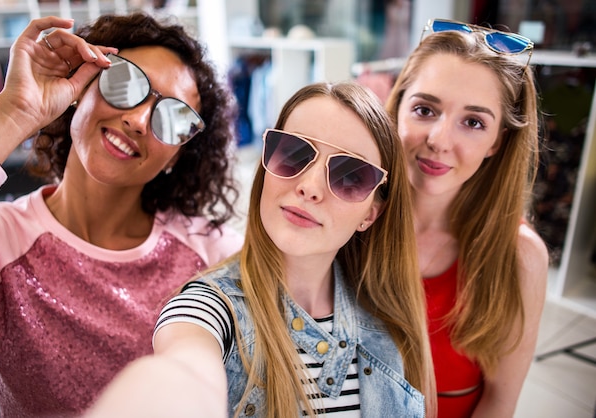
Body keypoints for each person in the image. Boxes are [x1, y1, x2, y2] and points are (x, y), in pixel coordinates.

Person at [85, 81, 437, 418]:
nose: (310, 187)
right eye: (293, 153)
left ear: (371, 214)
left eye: (350, 176)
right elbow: (183, 371)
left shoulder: (390, 315)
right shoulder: (209, 309)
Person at [0, 12, 243, 417]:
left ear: (179, 155)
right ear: (81, 85)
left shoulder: (213, 253)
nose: (136, 119)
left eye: (173, 118)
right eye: (124, 82)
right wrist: (14, 112)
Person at [384, 19, 549, 417]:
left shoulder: (520, 257)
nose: (439, 140)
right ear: (398, 107)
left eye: (473, 122)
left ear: (498, 142)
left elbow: (498, 402)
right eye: (425, 109)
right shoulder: (352, 214)